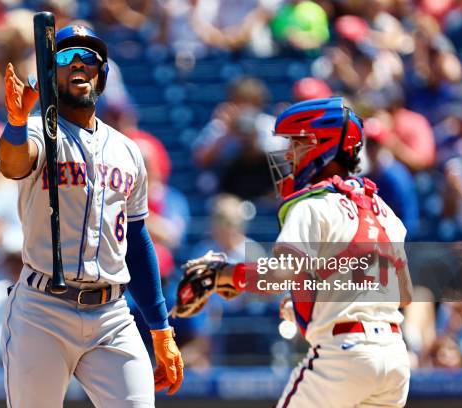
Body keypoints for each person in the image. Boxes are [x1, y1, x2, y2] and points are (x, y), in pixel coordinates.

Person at [173, 97, 413, 407]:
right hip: (394, 357)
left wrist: (224, 274)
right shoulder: (383, 210)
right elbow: (403, 293)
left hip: (344, 354)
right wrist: (317, 295)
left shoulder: (313, 204)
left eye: (298, 143)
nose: (289, 153)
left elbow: (276, 275)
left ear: (323, 146)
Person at [0, 25, 183, 408]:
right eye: (65, 57)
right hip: (42, 310)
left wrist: (160, 328)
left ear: (103, 72)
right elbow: (12, 164)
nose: (78, 63)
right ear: (50, 72)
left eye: (89, 57)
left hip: (112, 315)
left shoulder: (128, 151)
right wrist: (15, 123)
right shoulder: (37, 132)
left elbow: (138, 240)